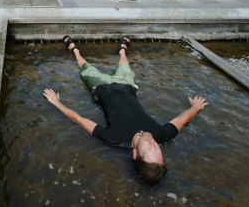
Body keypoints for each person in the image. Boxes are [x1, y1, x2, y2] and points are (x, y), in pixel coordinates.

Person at [43, 35, 208, 185]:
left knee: (86, 68)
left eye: (149, 149)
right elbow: (183, 119)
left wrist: (56, 103)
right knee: (126, 67)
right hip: (127, 85)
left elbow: (79, 119)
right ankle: (122, 50)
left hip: (101, 86)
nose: (153, 144)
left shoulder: (114, 138)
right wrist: (196, 107)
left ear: (135, 154)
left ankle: (74, 49)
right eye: (157, 149)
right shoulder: (162, 135)